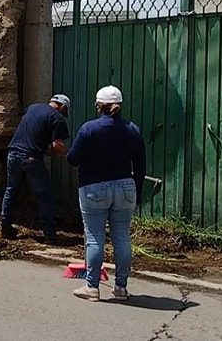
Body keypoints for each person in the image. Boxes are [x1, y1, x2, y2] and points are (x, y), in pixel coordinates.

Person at [66, 86, 145, 302]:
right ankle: (120, 287)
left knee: (94, 238)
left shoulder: (90, 129)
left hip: (94, 187)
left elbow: (72, 159)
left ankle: (92, 287)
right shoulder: (133, 130)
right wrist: (137, 192)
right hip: (126, 188)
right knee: (121, 237)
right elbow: (140, 165)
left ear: (99, 106)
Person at [0, 94, 71, 244]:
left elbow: (32, 133)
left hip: (13, 153)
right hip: (31, 158)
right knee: (44, 194)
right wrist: (68, 156)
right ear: (63, 107)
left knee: (11, 190)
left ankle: (5, 228)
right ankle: (49, 234)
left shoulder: (32, 108)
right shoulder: (57, 118)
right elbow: (56, 145)